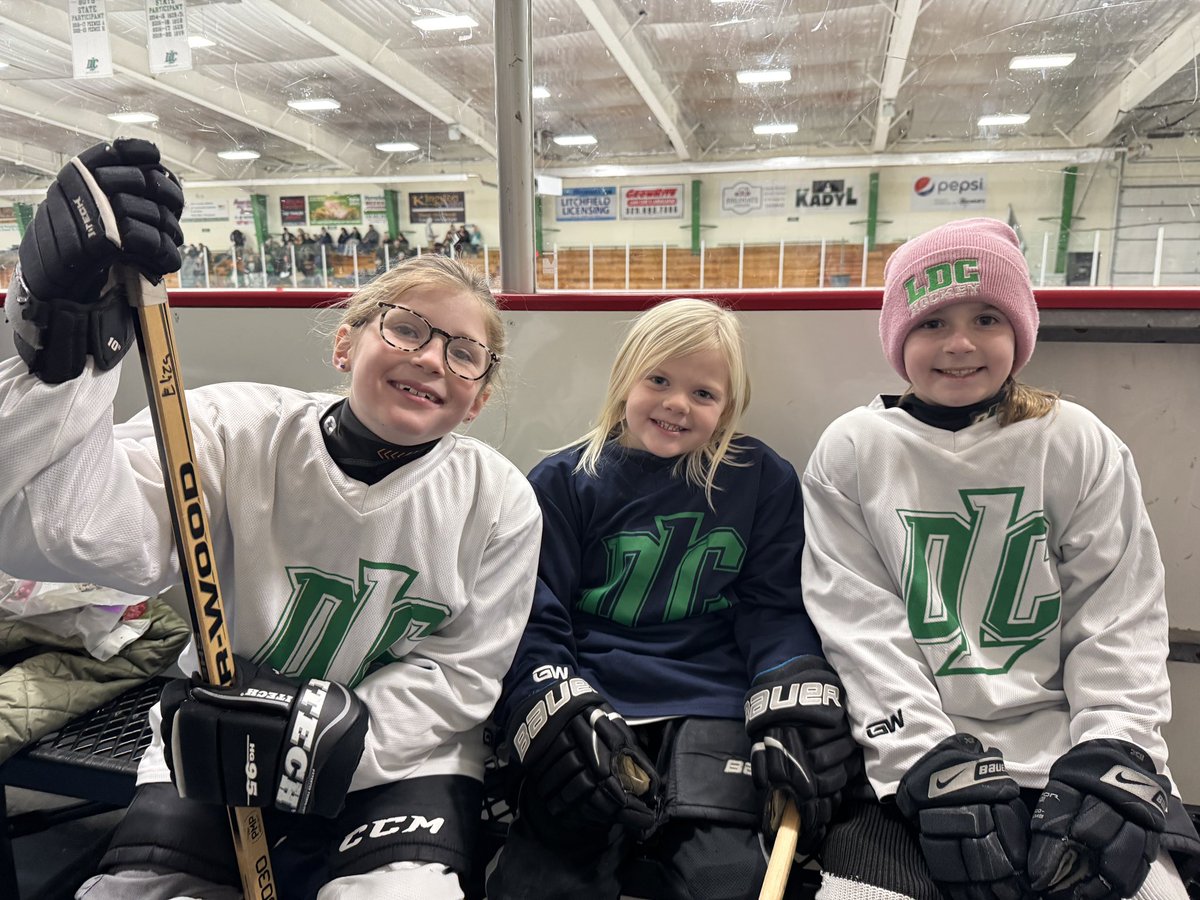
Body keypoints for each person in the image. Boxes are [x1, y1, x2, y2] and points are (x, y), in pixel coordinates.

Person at [0, 139, 542, 900]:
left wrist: (315, 738)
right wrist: (59, 358)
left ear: (479, 398)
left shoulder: (501, 501)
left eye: (465, 354)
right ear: (346, 341)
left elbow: (461, 673)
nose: (431, 359)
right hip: (216, 731)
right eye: (408, 329)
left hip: (404, 758)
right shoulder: (226, 430)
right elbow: (60, 533)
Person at [800, 218, 1200, 900]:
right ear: (899, 338)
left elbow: (1119, 612)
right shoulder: (853, 449)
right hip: (914, 760)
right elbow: (859, 625)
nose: (958, 344)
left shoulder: (1076, 441)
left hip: (1068, 752)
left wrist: (1113, 749)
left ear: (1019, 329)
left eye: (985, 317)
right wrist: (923, 757)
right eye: (931, 323)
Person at [486, 298, 859, 899]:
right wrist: (551, 699)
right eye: (658, 379)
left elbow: (775, 608)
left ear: (728, 408)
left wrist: (791, 684)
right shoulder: (560, 482)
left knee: (730, 879)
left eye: (703, 394)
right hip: (596, 702)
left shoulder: (762, 478)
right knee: (544, 879)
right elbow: (534, 615)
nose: (677, 404)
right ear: (624, 377)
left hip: (715, 704)